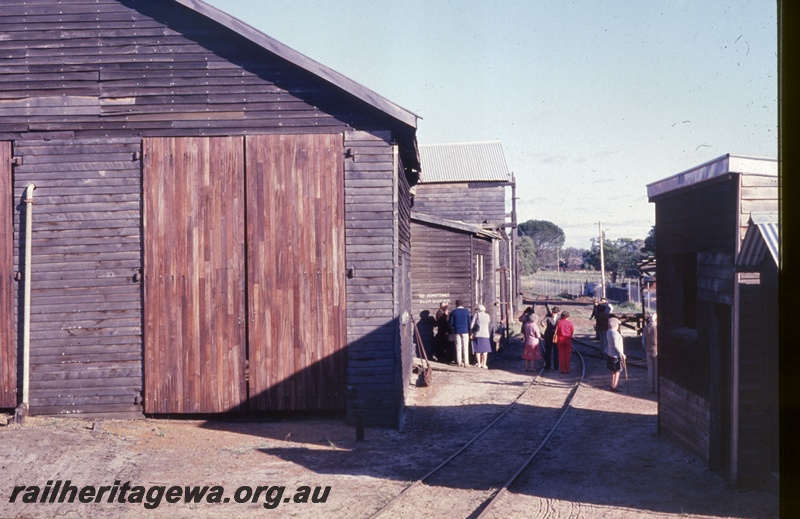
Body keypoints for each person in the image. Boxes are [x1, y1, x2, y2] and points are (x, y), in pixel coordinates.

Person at [448, 299, 471, 367]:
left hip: (457, 331)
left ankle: (459, 362)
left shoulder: (454, 312)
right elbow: (469, 322)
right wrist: (470, 332)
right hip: (465, 331)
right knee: (465, 347)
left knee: (458, 346)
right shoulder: (466, 311)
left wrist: (453, 330)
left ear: (456, 304)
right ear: (462, 304)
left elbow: (451, 323)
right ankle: (466, 362)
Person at [606, 317, 626, 392]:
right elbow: (616, 345)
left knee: (613, 371)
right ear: (615, 324)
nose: (618, 325)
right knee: (617, 371)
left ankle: (612, 384)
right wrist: (622, 354)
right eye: (618, 324)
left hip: (610, 353)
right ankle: (615, 386)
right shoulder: (615, 333)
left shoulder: (608, 331)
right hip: (616, 355)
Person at [470, 304, 492, 369]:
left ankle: (479, 364)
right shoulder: (487, 315)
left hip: (478, 334)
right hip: (486, 334)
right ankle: (484, 364)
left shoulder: (477, 315)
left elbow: (471, 325)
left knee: (478, 350)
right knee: (485, 351)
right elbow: (488, 323)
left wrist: (472, 332)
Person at [643, 313, 658, 393]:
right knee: (657, 371)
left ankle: (650, 387)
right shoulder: (657, 327)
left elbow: (643, 341)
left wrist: (646, 348)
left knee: (650, 370)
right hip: (656, 350)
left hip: (648, 350)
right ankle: (656, 388)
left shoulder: (646, 328)